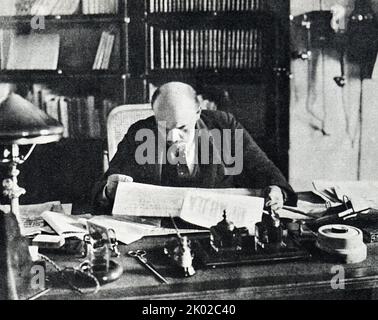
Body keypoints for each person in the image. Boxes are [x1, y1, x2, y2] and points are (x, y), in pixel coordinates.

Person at [93, 82, 297, 214]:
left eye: (182, 127)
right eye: (164, 126)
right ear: (154, 114)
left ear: (198, 112)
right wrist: (109, 191)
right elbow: (100, 193)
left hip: (216, 228)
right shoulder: (140, 133)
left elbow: (265, 171)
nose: (173, 137)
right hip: (160, 233)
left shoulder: (223, 126)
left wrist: (277, 191)